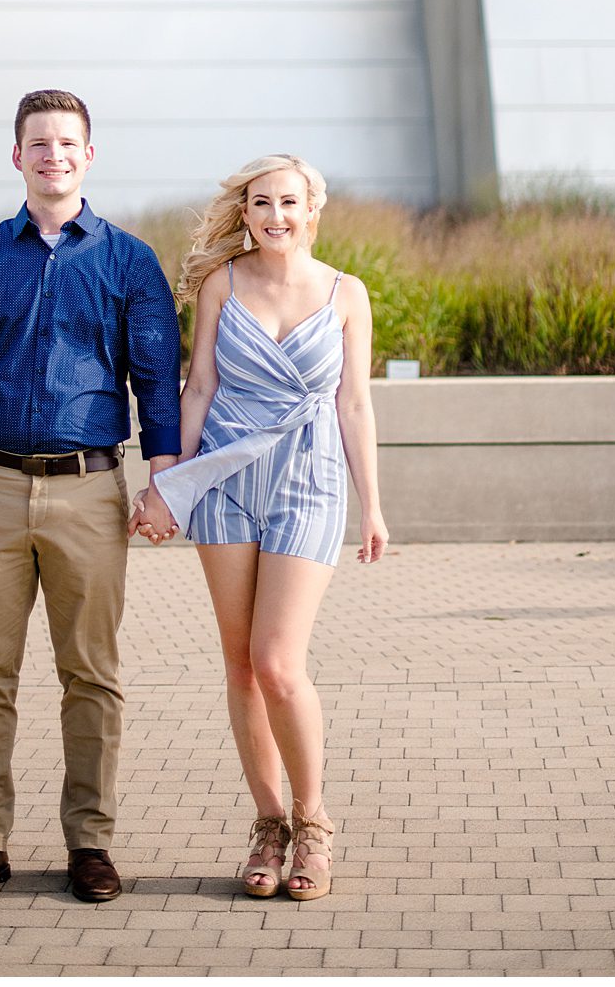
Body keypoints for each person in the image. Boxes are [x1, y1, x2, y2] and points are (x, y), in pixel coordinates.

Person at [0, 88, 182, 907]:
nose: (54, 156)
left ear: (89, 156)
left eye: (68, 143)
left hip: (90, 489)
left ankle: (90, 843)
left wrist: (161, 486)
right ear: (17, 157)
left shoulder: (129, 261)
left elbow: (157, 388)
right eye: (39, 144)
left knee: (92, 675)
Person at [128, 155, 386, 902]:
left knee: (277, 662)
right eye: (262, 203)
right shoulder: (222, 284)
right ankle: (268, 824)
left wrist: (372, 505)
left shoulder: (347, 294)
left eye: (289, 203)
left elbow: (355, 405)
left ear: (314, 210)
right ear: (246, 213)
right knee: (240, 664)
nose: (276, 215)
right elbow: (199, 385)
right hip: (226, 483)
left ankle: (314, 822)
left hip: (310, 482)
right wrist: (165, 487)